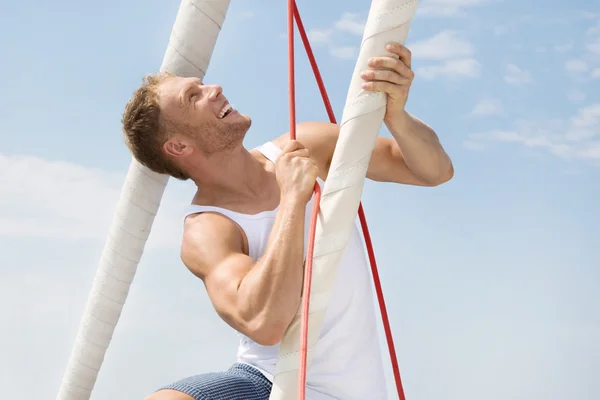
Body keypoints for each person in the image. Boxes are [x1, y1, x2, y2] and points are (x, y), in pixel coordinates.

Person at [122, 42, 453, 400]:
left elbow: (435, 171)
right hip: (269, 382)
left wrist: (397, 116)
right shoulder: (208, 228)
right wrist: (293, 200)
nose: (214, 89)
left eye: (202, 84)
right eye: (193, 96)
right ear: (179, 147)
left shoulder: (307, 143)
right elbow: (265, 324)